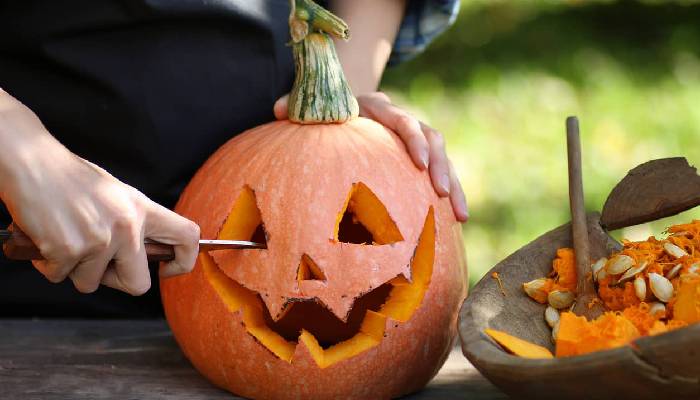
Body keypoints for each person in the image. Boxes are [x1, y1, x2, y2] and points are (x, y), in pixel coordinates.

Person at [0, 0, 468, 317]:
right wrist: (23, 152)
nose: (312, 271)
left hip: (259, 144)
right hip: (29, 284)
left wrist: (339, 95)